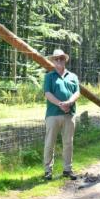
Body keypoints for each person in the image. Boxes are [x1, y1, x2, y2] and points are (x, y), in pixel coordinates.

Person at [42, 49, 80, 181]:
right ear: (53, 61)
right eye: (56, 59)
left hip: (69, 114)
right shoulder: (49, 76)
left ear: (65, 60)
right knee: (49, 143)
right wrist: (60, 104)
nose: (59, 60)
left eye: (61, 58)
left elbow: (77, 93)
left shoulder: (73, 76)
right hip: (53, 114)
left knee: (68, 143)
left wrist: (69, 103)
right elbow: (47, 93)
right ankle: (47, 171)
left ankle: (67, 169)